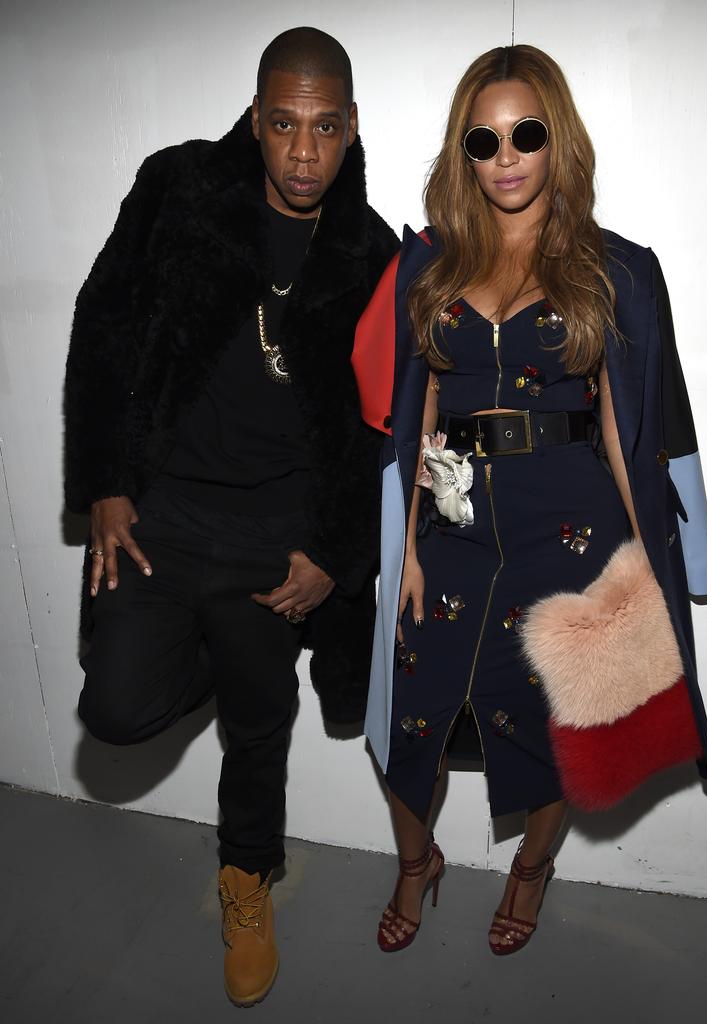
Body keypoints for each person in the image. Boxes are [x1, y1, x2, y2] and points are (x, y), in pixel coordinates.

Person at [352, 44, 707, 955]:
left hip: (571, 524)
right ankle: (415, 862)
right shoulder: (430, 268)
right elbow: (418, 409)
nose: (507, 154)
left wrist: (653, 571)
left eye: (526, 133)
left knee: (558, 723)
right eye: (485, 138)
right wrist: (404, 547)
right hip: (455, 525)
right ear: (464, 153)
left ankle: (531, 869)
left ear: (557, 140)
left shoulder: (618, 270)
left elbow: (632, 432)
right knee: (415, 723)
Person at [64, 26, 398, 1004]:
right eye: (285, 125)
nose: (303, 152)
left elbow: (382, 431)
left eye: (324, 127)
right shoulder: (178, 190)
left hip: (274, 544)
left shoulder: (370, 254)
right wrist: (105, 481)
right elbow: (105, 321)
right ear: (257, 120)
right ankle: (216, 651)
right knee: (116, 709)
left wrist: (337, 555)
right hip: (163, 517)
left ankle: (247, 878)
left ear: (349, 129)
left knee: (260, 731)